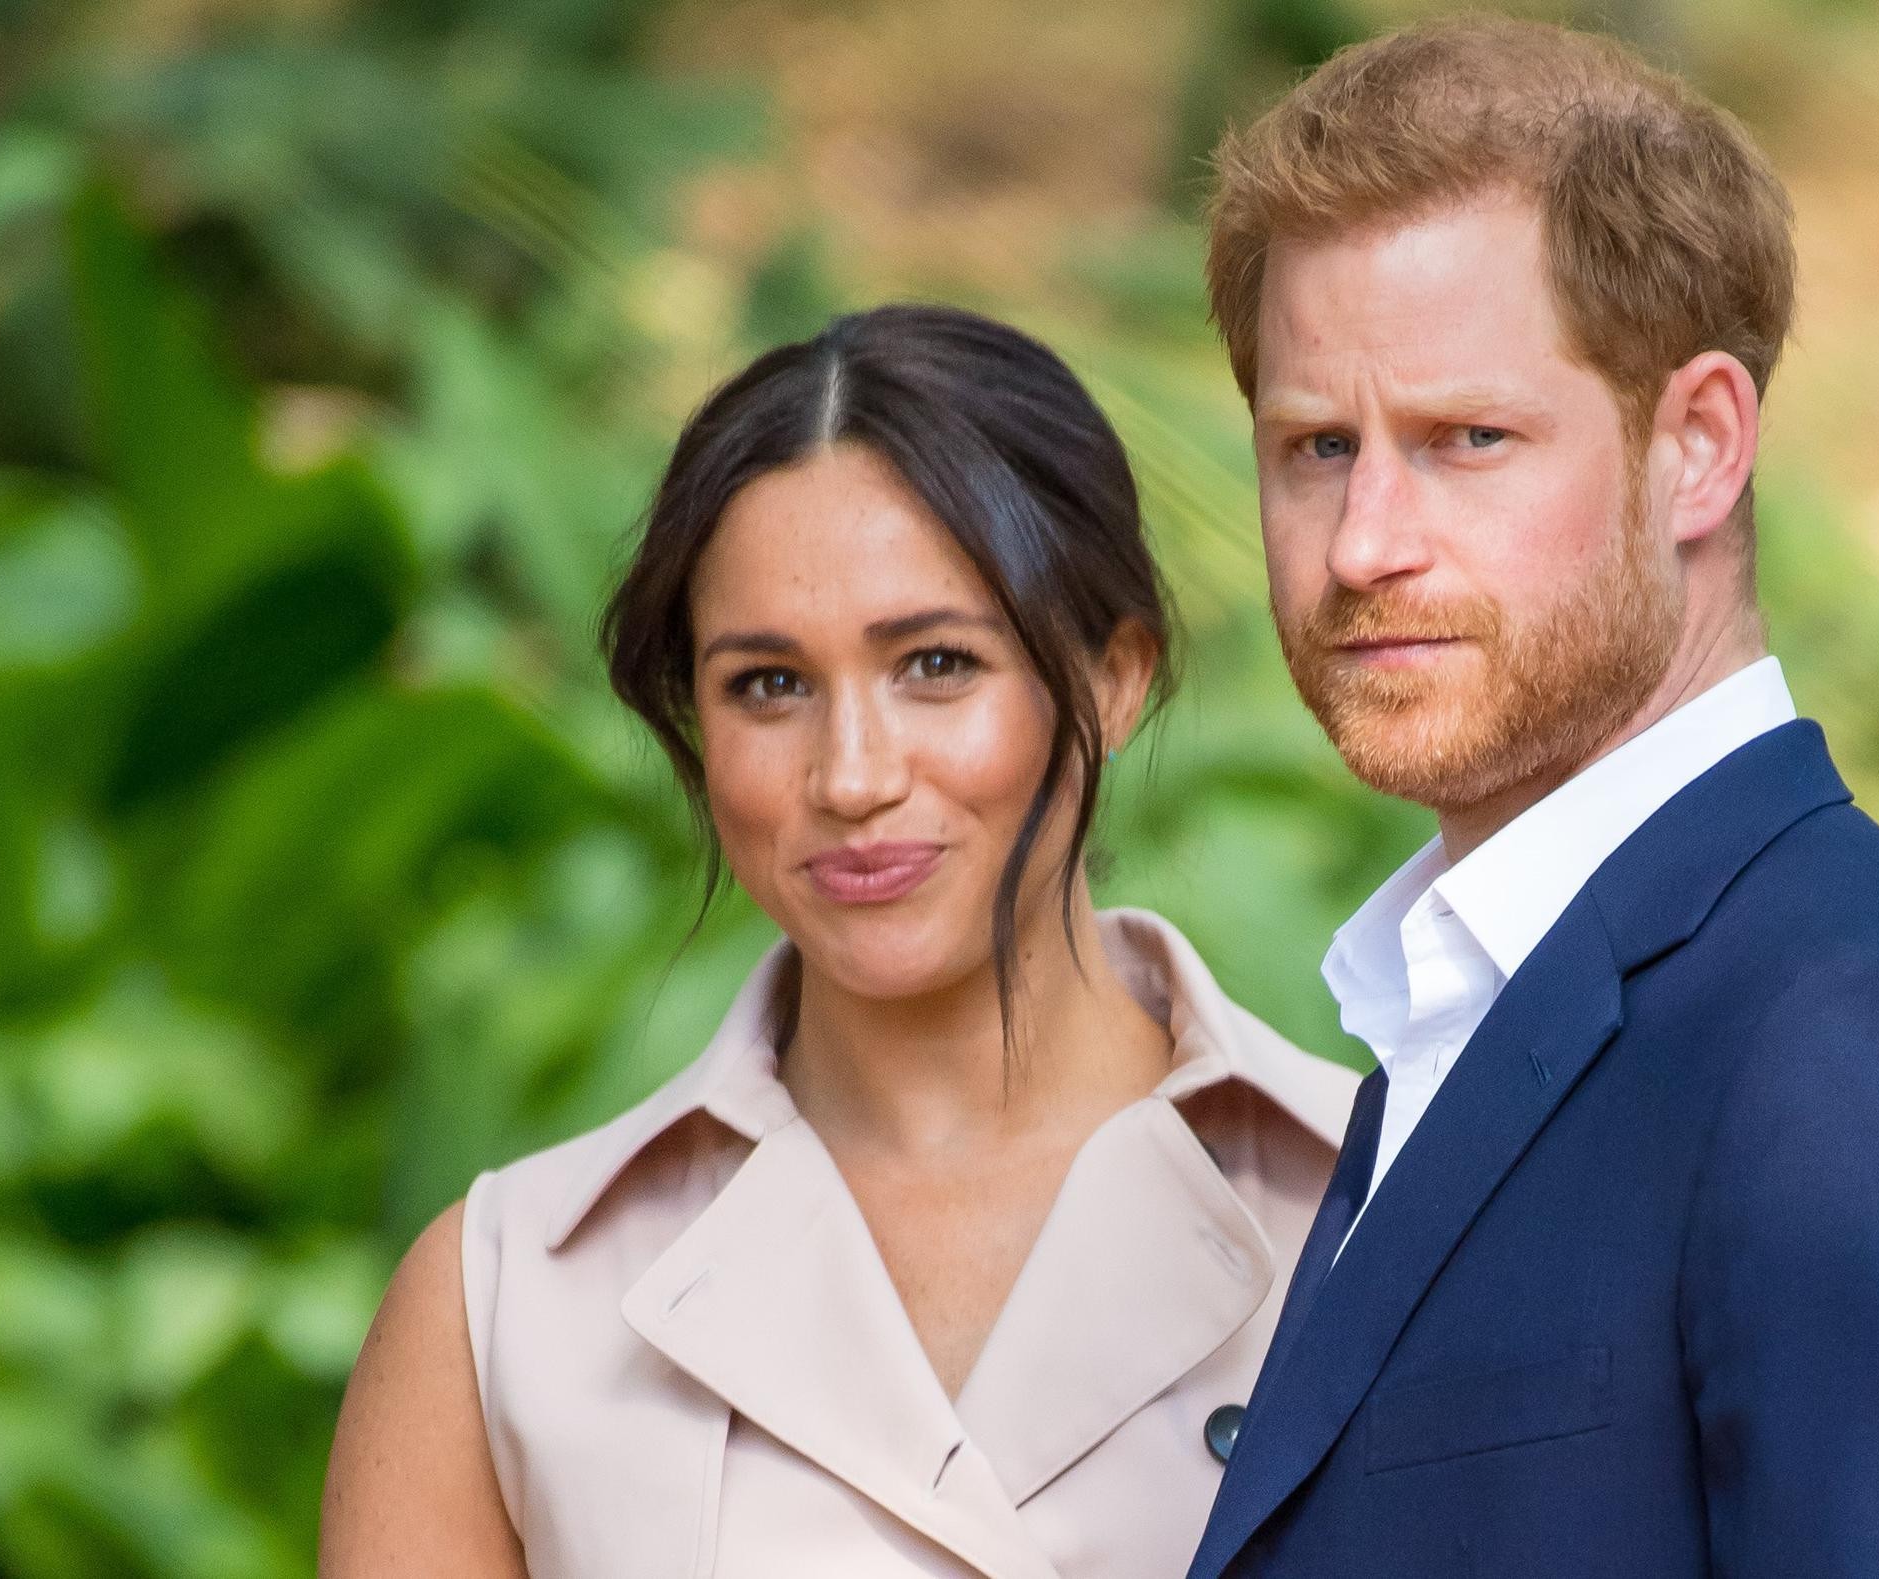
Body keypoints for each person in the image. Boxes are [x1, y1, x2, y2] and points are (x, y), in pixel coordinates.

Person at [1184, 17, 1879, 1579]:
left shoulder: (1858, 1043)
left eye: (1469, 439)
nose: (1360, 543)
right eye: (1315, 446)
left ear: (1699, 447)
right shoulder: (1465, 995)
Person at [318, 303, 1361, 1578]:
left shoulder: (1387, 1208)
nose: (852, 776)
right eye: (769, 685)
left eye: (934, 663)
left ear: (1112, 677)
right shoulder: (503, 1304)